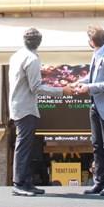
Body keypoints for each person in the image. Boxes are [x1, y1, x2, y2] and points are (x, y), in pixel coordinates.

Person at [8, 28, 67, 196]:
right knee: (23, 146)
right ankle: (19, 183)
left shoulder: (16, 55)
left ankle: (26, 182)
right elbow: (36, 87)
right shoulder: (32, 59)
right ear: (39, 42)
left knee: (25, 146)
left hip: (18, 106)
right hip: (26, 108)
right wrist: (62, 90)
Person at [70, 25, 104, 196]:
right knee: (96, 145)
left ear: (92, 41)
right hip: (95, 105)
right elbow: (93, 77)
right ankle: (99, 182)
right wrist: (80, 82)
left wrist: (89, 88)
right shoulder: (97, 53)